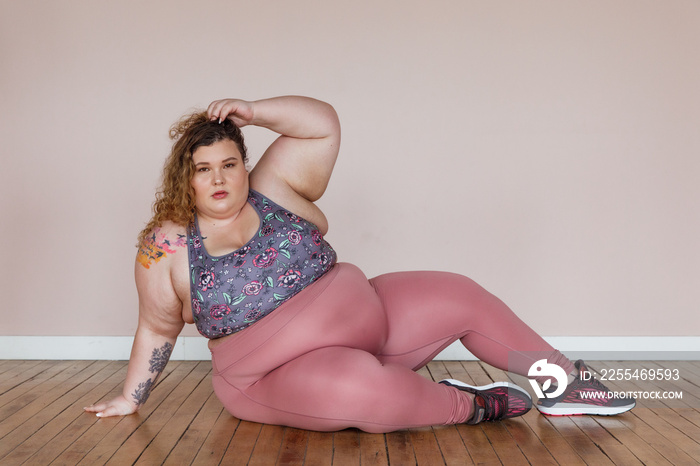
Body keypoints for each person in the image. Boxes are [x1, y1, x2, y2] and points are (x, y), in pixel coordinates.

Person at [84, 96, 635, 431]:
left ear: (245, 164)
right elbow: (156, 325)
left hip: (369, 317)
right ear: (187, 177)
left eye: (229, 163)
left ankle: (563, 382)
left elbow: (322, 123)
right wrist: (131, 398)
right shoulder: (169, 245)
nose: (220, 178)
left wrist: (253, 110)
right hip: (271, 374)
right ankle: (468, 405)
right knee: (365, 391)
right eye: (204, 169)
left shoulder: (272, 187)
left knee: (460, 294)